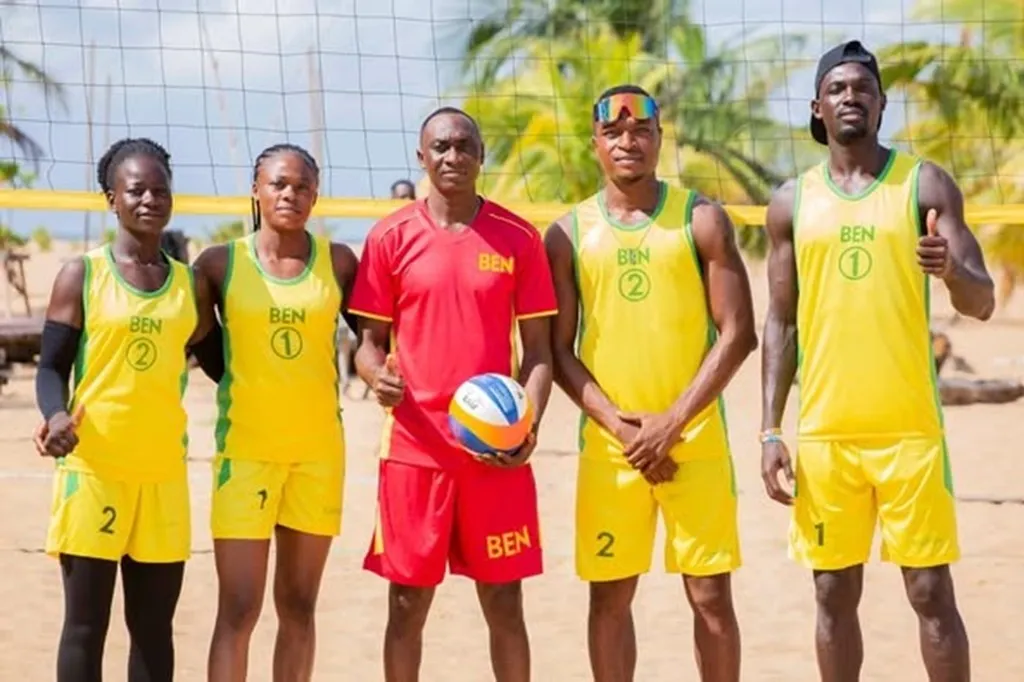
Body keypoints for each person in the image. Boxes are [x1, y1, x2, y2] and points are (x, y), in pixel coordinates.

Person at [760, 40, 995, 682]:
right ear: (817, 107)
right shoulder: (791, 202)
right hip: (829, 434)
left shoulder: (923, 183)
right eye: (837, 89)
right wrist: (771, 430)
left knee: (929, 593)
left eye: (863, 87)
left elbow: (982, 301)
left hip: (910, 431)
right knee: (833, 594)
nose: (850, 96)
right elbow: (780, 322)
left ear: (882, 103)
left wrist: (951, 272)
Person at [545, 85, 757, 682]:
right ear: (595, 145)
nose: (628, 140)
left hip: (694, 439)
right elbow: (558, 350)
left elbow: (738, 333)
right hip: (612, 447)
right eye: (613, 132)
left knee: (711, 599)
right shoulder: (567, 234)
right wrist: (621, 426)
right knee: (609, 600)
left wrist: (671, 423)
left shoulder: (701, 219)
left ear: (660, 139)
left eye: (641, 129)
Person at [350, 106, 557, 682]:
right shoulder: (390, 236)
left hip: (494, 449)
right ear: (422, 157)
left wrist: (529, 425)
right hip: (416, 451)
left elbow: (538, 351)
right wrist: (375, 376)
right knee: (407, 605)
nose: (453, 156)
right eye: (440, 147)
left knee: (504, 603)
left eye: (465, 146)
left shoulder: (519, 237)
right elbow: (368, 344)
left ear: (481, 155)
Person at [33, 137, 219, 682]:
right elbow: (50, 368)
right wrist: (56, 414)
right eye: (135, 189)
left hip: (161, 476)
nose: (149, 200)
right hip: (94, 471)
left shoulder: (190, 285)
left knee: (154, 629)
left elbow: (224, 364)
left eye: (161, 190)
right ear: (111, 197)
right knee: (86, 627)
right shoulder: (82, 274)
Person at [196, 143, 359, 681]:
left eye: (302, 186)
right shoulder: (220, 263)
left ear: (316, 194)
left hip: (316, 455)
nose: (291, 194)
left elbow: (374, 341)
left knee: (299, 607)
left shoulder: (337, 262)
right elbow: (205, 347)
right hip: (246, 454)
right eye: (279, 184)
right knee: (239, 609)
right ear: (256, 188)